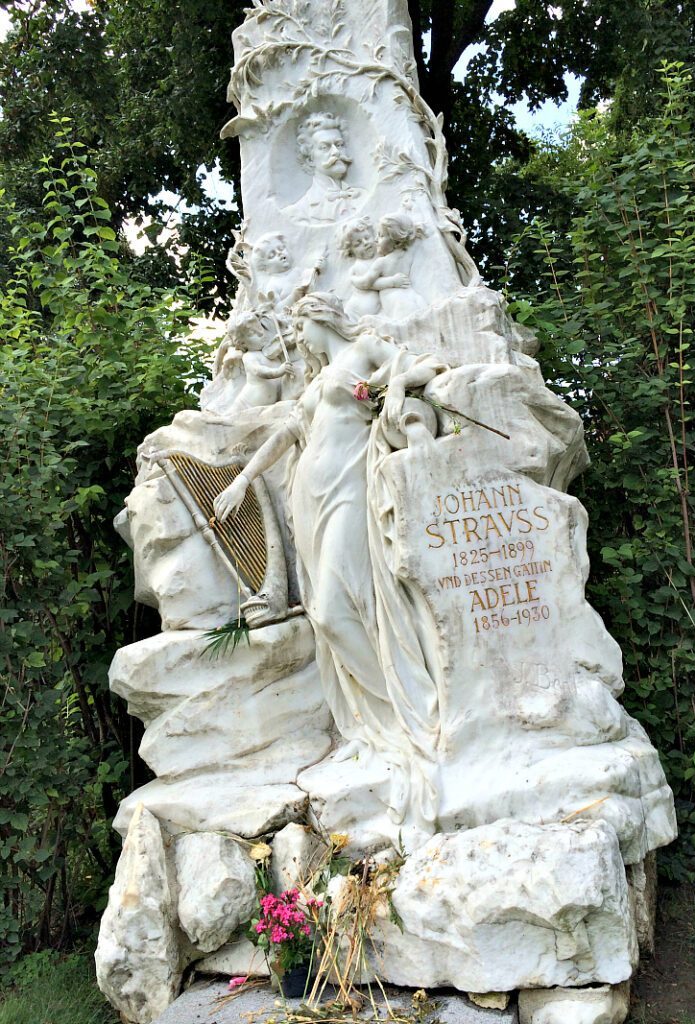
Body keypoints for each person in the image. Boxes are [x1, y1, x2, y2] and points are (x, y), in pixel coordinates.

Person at [213, 293, 447, 832]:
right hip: (310, 497)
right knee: (322, 612)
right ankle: (371, 728)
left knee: (343, 606)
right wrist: (245, 478)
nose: (295, 337)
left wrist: (393, 385)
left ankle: (400, 716)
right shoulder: (314, 383)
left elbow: (419, 367)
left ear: (320, 319)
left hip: (349, 487)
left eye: (299, 325)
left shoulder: (364, 349)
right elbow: (288, 433)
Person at [283, 112, 363, 225]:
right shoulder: (297, 213)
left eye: (339, 145)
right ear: (310, 160)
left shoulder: (361, 197)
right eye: (324, 147)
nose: (336, 152)